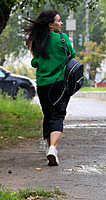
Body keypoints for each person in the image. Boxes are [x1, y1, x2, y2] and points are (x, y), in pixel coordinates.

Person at [24, 10, 76, 166]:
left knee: (48, 115)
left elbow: (35, 62)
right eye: (58, 21)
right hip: (60, 83)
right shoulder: (62, 38)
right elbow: (71, 55)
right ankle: (53, 148)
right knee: (58, 115)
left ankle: (50, 149)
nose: (61, 23)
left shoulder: (36, 40)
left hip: (43, 84)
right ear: (50, 24)